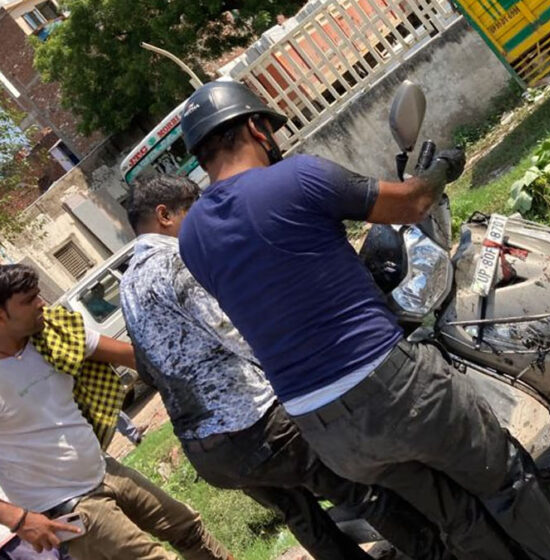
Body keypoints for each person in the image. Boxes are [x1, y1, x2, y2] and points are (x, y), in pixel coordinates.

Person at [177, 81, 550, 560]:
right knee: (504, 478)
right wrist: (441, 170)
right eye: (268, 129)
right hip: (392, 388)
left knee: (454, 515)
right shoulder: (296, 177)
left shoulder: (191, 239)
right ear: (254, 127)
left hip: (323, 427)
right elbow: (411, 202)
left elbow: (272, 284)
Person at [120, 174, 450, 560]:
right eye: (193, 213)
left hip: (208, 451)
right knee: (362, 487)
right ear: (164, 215)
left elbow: (147, 365)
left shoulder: (129, 285)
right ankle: (440, 555)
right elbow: (235, 332)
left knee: (300, 513)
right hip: (256, 425)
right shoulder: (179, 260)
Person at [0, 264, 232, 560]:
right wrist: (19, 520)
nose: (41, 303)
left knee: (188, 528)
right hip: (66, 505)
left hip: (104, 469)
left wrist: (201, 374)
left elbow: (131, 356)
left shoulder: (52, 336)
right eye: (29, 300)